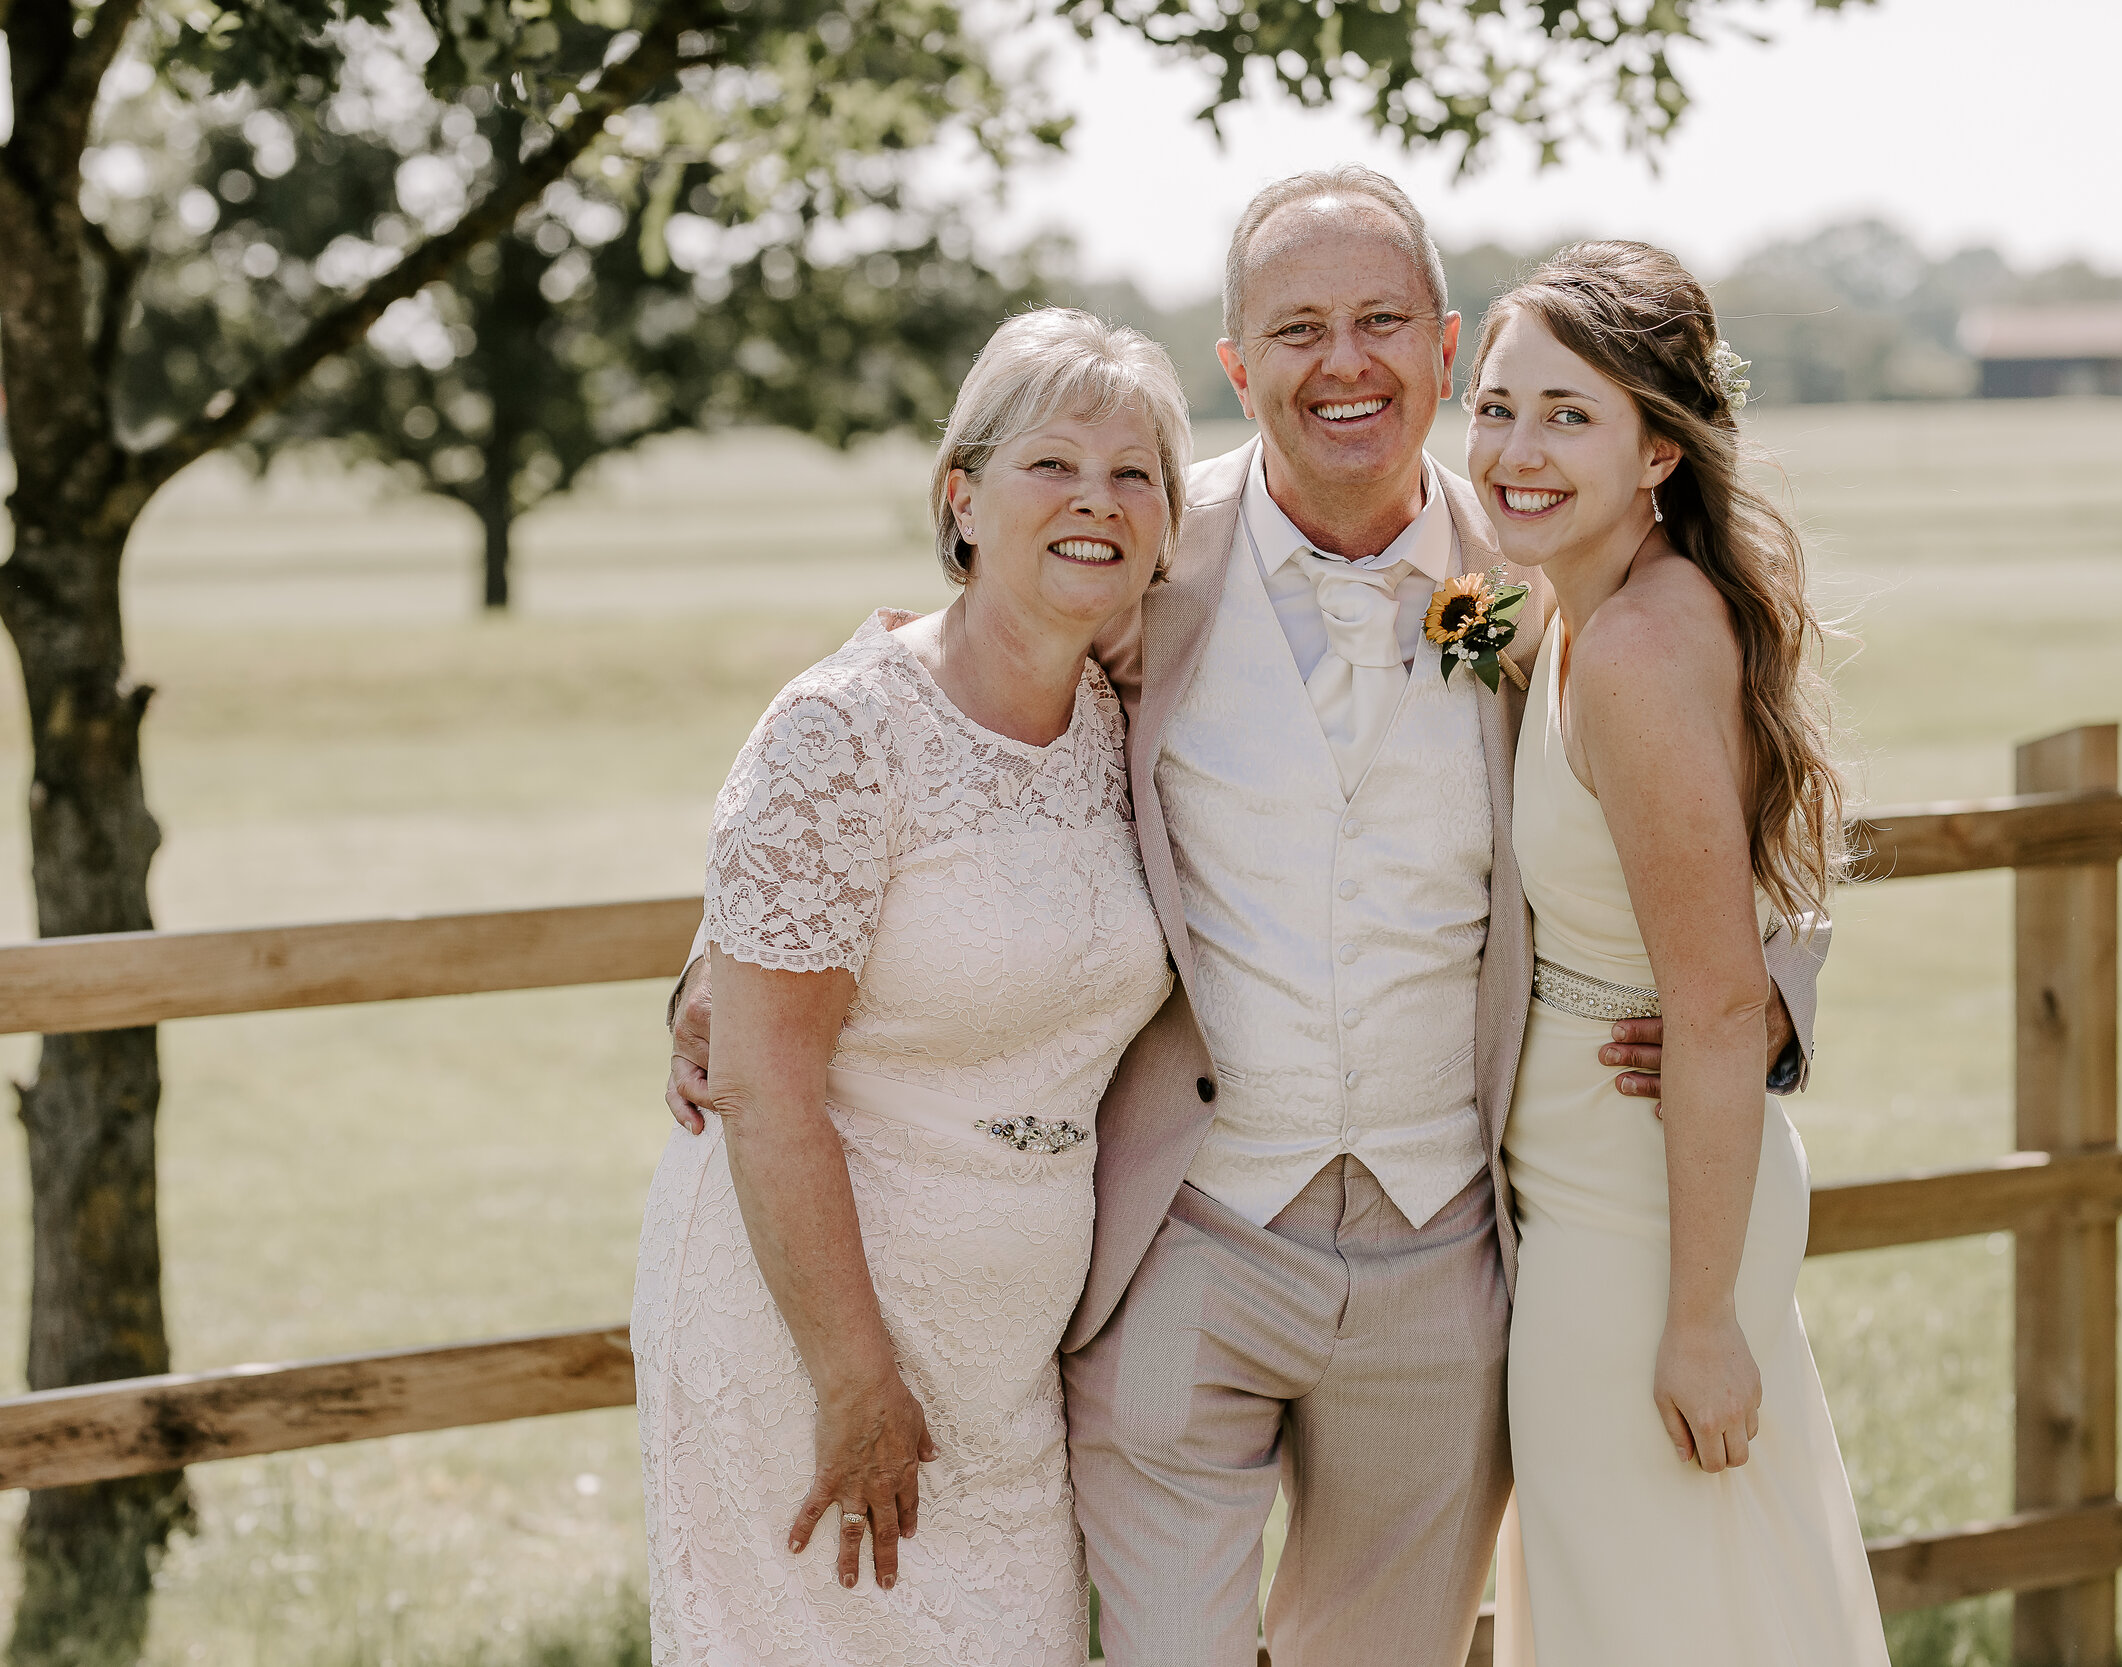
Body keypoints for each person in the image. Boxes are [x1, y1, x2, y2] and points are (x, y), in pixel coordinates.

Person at [666, 169, 1830, 1665]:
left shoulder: (1546, 563)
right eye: (1297, 328)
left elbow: (1736, 795)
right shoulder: (1144, 553)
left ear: (1443, 342)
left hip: (1445, 1247)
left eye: (1380, 322)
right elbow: (940, 687)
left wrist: (1769, 1008)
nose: (1343, 362)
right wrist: (724, 955)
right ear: (1236, 364)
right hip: (1189, 1238)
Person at [631, 308, 1189, 1666]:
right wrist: (852, 1379)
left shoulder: (1124, 718)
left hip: (1012, 1357)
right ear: (962, 495)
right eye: (1053, 465)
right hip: (811, 1330)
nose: (1097, 503)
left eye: (1136, 476)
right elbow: (764, 1085)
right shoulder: (844, 730)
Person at [1467, 242, 1887, 1664]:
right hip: (1597, 1179)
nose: (1517, 450)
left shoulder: (1643, 647)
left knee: (1653, 1614)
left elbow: (1713, 1011)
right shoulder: (1574, 608)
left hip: (1647, 1220)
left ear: (1659, 448)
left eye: (1568, 416)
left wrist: (1702, 1321)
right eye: (1497, 404)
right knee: (1656, 1599)